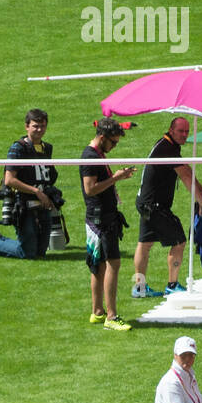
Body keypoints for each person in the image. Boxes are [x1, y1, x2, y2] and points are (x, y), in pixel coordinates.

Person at [131, 117, 202, 298]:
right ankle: (172, 284)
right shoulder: (167, 149)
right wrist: (201, 201)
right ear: (171, 130)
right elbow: (185, 177)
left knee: (145, 244)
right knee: (179, 241)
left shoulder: (167, 145)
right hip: (155, 206)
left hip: (145, 202)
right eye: (180, 131)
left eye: (187, 132)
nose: (184, 135)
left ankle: (139, 288)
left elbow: (187, 170)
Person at [0, 109, 59, 260]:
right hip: (23, 205)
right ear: (27, 126)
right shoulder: (17, 148)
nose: (40, 129)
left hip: (43, 204)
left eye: (43, 126)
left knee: (40, 252)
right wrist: (36, 191)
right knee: (28, 253)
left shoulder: (48, 148)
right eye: (35, 126)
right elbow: (9, 180)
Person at [80, 116, 136, 331]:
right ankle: (111, 317)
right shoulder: (90, 156)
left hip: (100, 216)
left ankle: (97, 312)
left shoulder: (98, 154)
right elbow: (90, 188)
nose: (114, 146)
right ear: (102, 137)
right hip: (101, 218)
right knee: (113, 263)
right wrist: (116, 178)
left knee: (99, 266)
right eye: (113, 142)